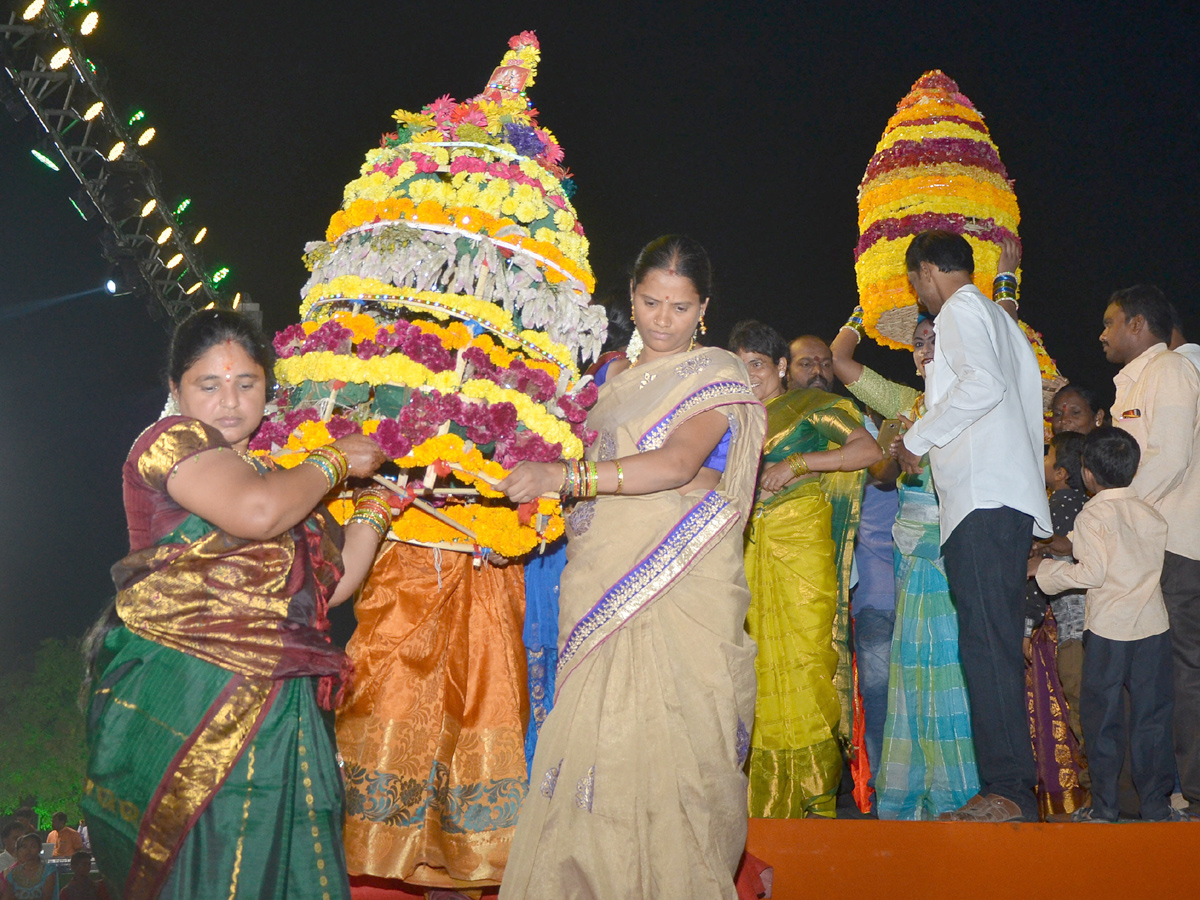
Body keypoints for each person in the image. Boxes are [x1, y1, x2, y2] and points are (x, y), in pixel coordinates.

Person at [83, 309, 389, 900]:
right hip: (191, 695)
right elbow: (256, 513)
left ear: (267, 389)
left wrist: (377, 506)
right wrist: (333, 462)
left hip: (281, 700)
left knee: (293, 861)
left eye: (246, 384)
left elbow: (334, 581)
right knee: (213, 860)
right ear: (175, 390)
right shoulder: (171, 444)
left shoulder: (280, 477)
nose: (230, 401)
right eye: (209, 384)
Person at [495, 235, 765, 899]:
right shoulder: (605, 383)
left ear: (703, 307)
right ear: (632, 296)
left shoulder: (716, 373)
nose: (662, 319)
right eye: (650, 302)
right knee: (601, 748)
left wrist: (567, 475)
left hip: (683, 590)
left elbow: (677, 464)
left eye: (679, 306)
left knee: (677, 756)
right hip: (598, 583)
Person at [893, 231, 1051, 823]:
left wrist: (915, 438)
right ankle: (1011, 788)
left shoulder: (959, 308)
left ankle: (1008, 790)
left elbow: (982, 387)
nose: (919, 294)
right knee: (991, 642)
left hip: (983, 499)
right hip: (999, 498)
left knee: (985, 645)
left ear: (928, 271)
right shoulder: (997, 317)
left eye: (915, 282)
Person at [831, 308, 980, 819]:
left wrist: (1005, 288)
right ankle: (910, 795)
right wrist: (863, 306)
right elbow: (838, 359)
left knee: (957, 674)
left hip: (958, 557)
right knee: (911, 677)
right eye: (919, 341)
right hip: (910, 561)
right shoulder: (905, 404)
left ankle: (965, 790)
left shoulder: (976, 400)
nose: (927, 348)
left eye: (938, 339)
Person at [730, 319, 883, 817]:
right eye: (741, 365)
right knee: (755, 667)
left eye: (757, 363)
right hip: (747, 550)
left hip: (801, 539)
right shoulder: (731, 422)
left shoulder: (813, 405)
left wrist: (796, 465)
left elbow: (868, 450)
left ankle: (814, 800)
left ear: (778, 367)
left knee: (809, 660)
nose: (750, 375)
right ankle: (763, 801)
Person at [336, 544, 529, 894]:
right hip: (406, 570)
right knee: (396, 702)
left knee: (489, 693)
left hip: (492, 574)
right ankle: (394, 850)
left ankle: (459, 866)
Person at [1030, 427, 1179, 822]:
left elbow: (1091, 573)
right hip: (1152, 628)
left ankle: (1106, 806)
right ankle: (1155, 806)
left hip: (1111, 631)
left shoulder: (1093, 513)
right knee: (1152, 719)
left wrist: (1042, 568)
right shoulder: (1151, 513)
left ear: (1088, 474)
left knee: (1103, 721)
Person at [1100, 284, 1200, 818]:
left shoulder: (1171, 373)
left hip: (1179, 544)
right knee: (1155, 676)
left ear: (1138, 325)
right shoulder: (1135, 382)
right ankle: (1167, 791)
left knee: (1184, 672)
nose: (1103, 334)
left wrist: (1115, 514)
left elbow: (1171, 460)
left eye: (1111, 323)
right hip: (1149, 545)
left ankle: (1194, 792)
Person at [0, 833, 56, 900]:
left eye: (33, 846)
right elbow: (6, 897)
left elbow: (47, 897)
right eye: (24, 847)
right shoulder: (13, 873)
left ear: (40, 849)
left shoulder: (48, 870)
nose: (28, 850)